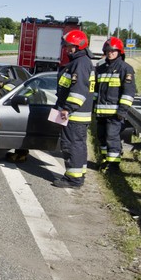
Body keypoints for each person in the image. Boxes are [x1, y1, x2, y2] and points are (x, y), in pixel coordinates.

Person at [53, 29, 95, 188]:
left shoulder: (80, 63)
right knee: (78, 145)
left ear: (80, 46)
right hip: (75, 114)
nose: (68, 49)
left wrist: (67, 109)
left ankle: (73, 179)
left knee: (71, 145)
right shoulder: (79, 62)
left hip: (74, 115)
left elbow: (79, 90)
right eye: (67, 46)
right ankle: (78, 174)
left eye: (71, 46)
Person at [94, 36, 136, 172]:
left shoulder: (125, 69)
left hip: (115, 113)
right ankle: (105, 160)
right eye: (108, 51)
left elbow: (128, 93)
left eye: (113, 51)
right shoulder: (100, 69)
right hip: (101, 112)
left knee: (112, 138)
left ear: (120, 52)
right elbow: (95, 90)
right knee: (102, 137)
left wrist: (122, 111)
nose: (110, 53)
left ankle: (114, 166)